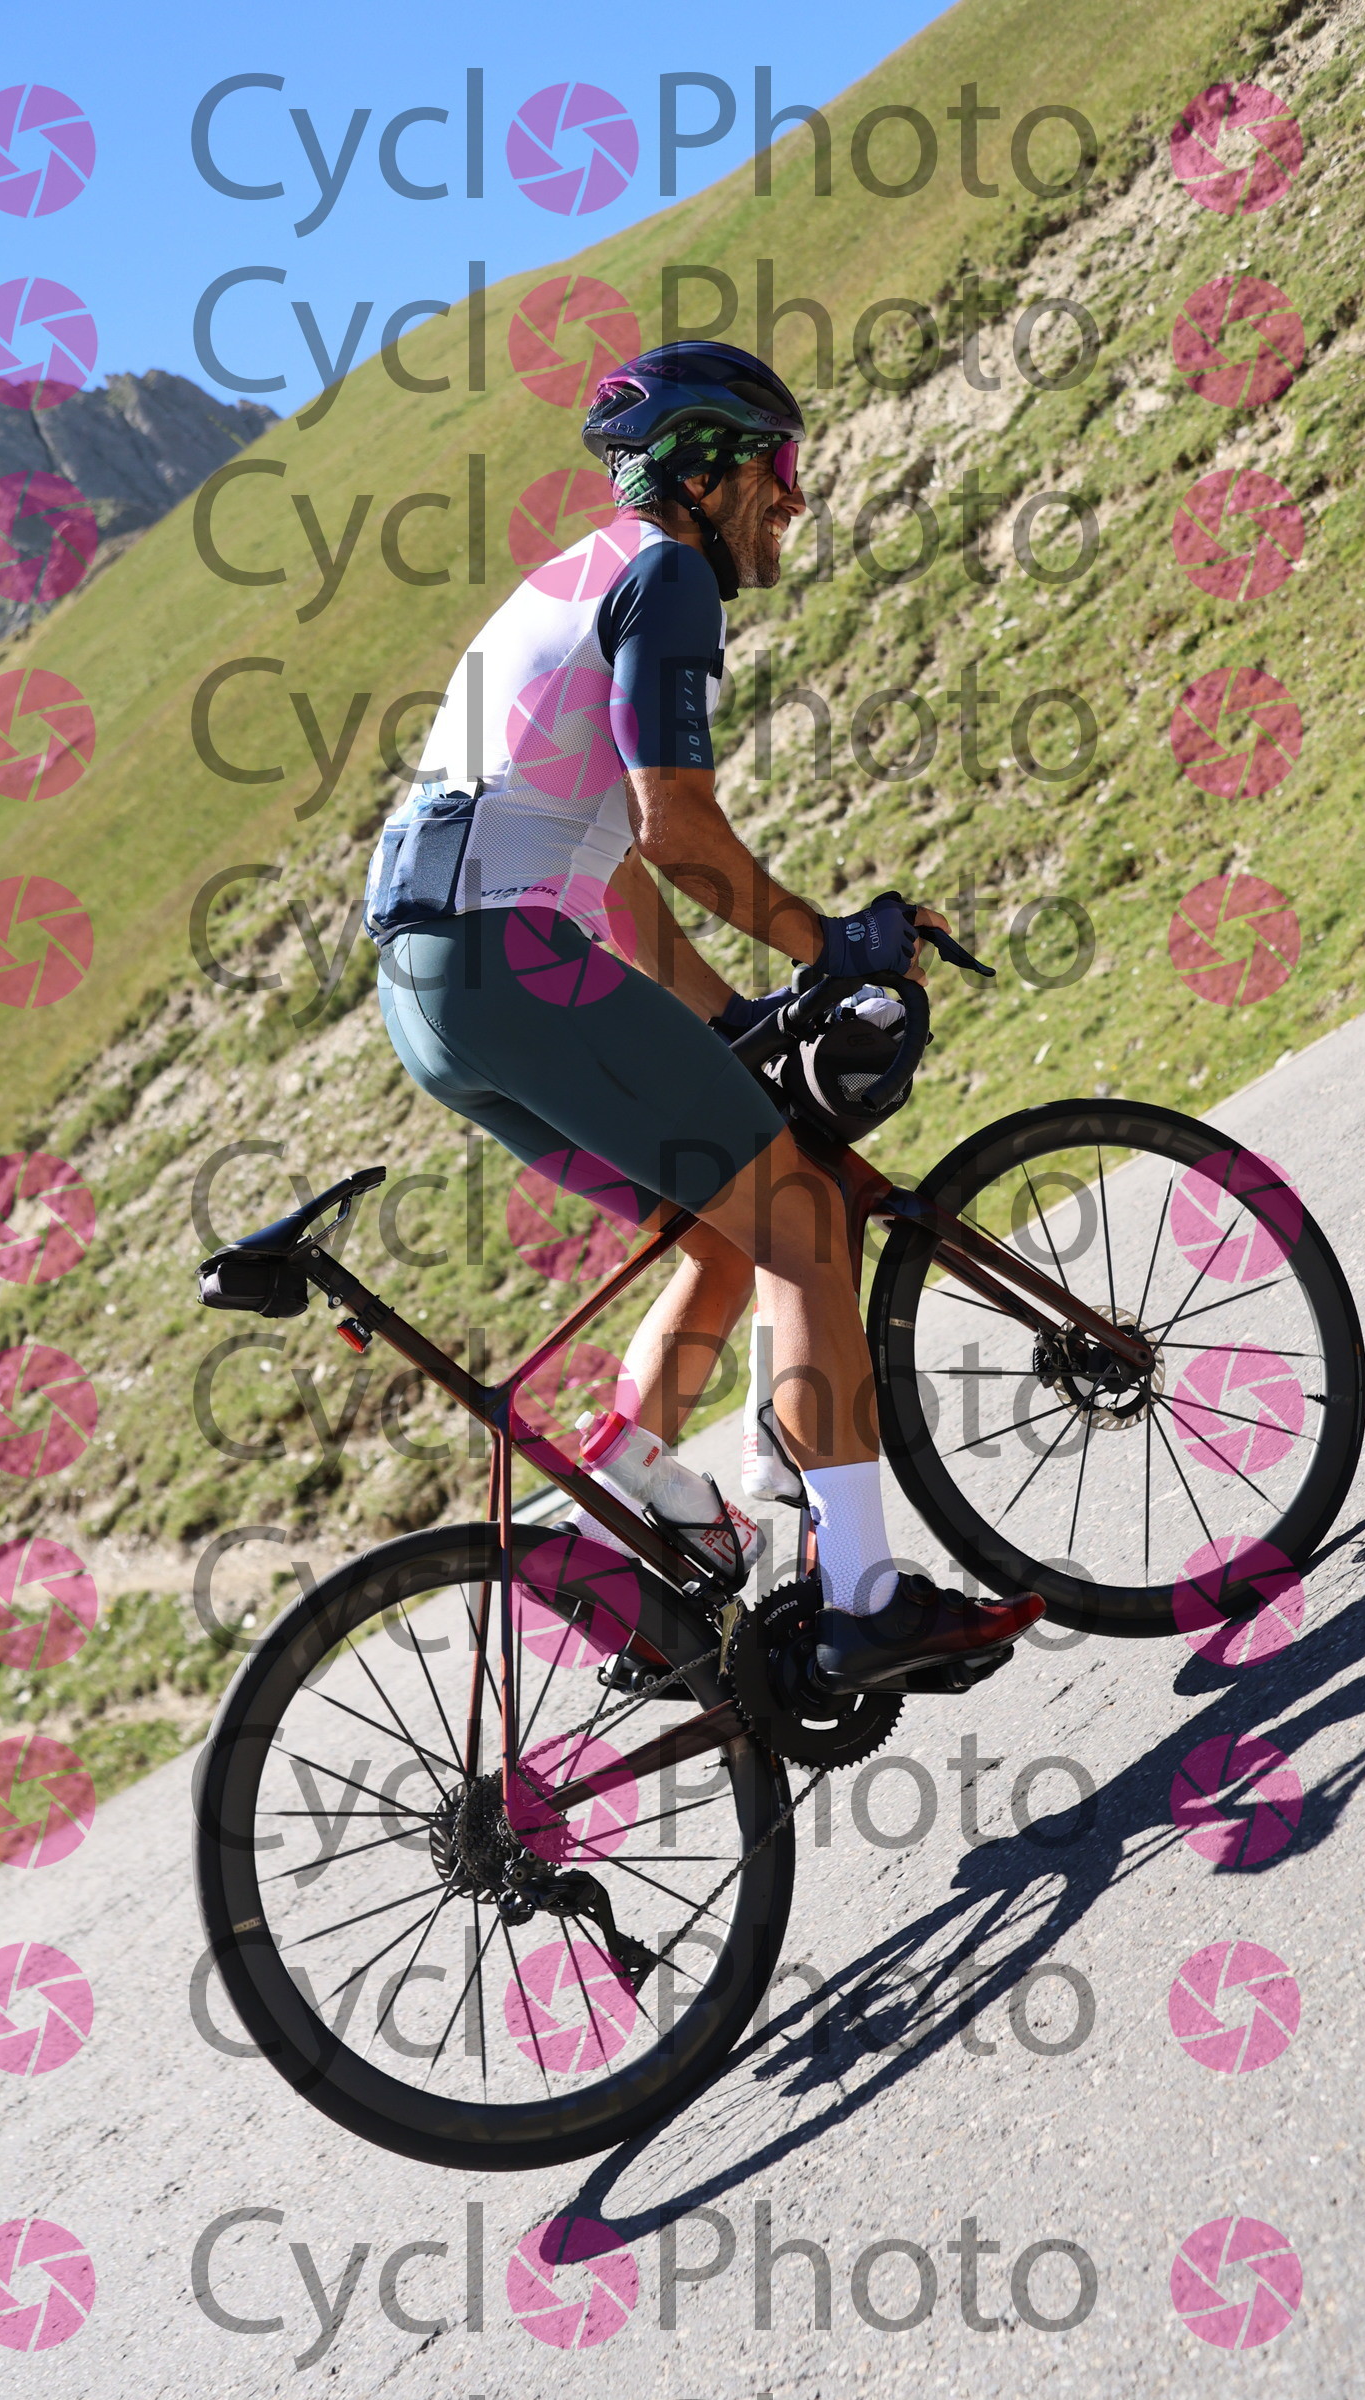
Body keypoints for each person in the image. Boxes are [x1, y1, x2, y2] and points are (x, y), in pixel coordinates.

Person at [367, 340, 1041, 1690]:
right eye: (778, 465)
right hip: (507, 959)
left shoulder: (573, 579)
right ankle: (860, 1598)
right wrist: (835, 943)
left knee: (728, 1228)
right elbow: (676, 830)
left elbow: (609, 856)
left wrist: (730, 1015)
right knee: (805, 1221)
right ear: (707, 472)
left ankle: (630, 1511)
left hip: (433, 988)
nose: (793, 495)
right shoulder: (668, 576)